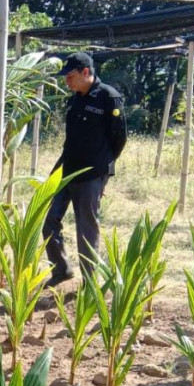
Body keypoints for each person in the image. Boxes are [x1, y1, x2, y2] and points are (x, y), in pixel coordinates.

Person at [43, 51, 126, 287]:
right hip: (66, 169)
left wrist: (102, 172)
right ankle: (61, 269)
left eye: (70, 76)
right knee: (48, 219)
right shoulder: (77, 97)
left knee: (86, 229)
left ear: (86, 73)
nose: (67, 81)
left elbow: (119, 138)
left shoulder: (109, 97)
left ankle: (90, 284)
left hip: (91, 175)